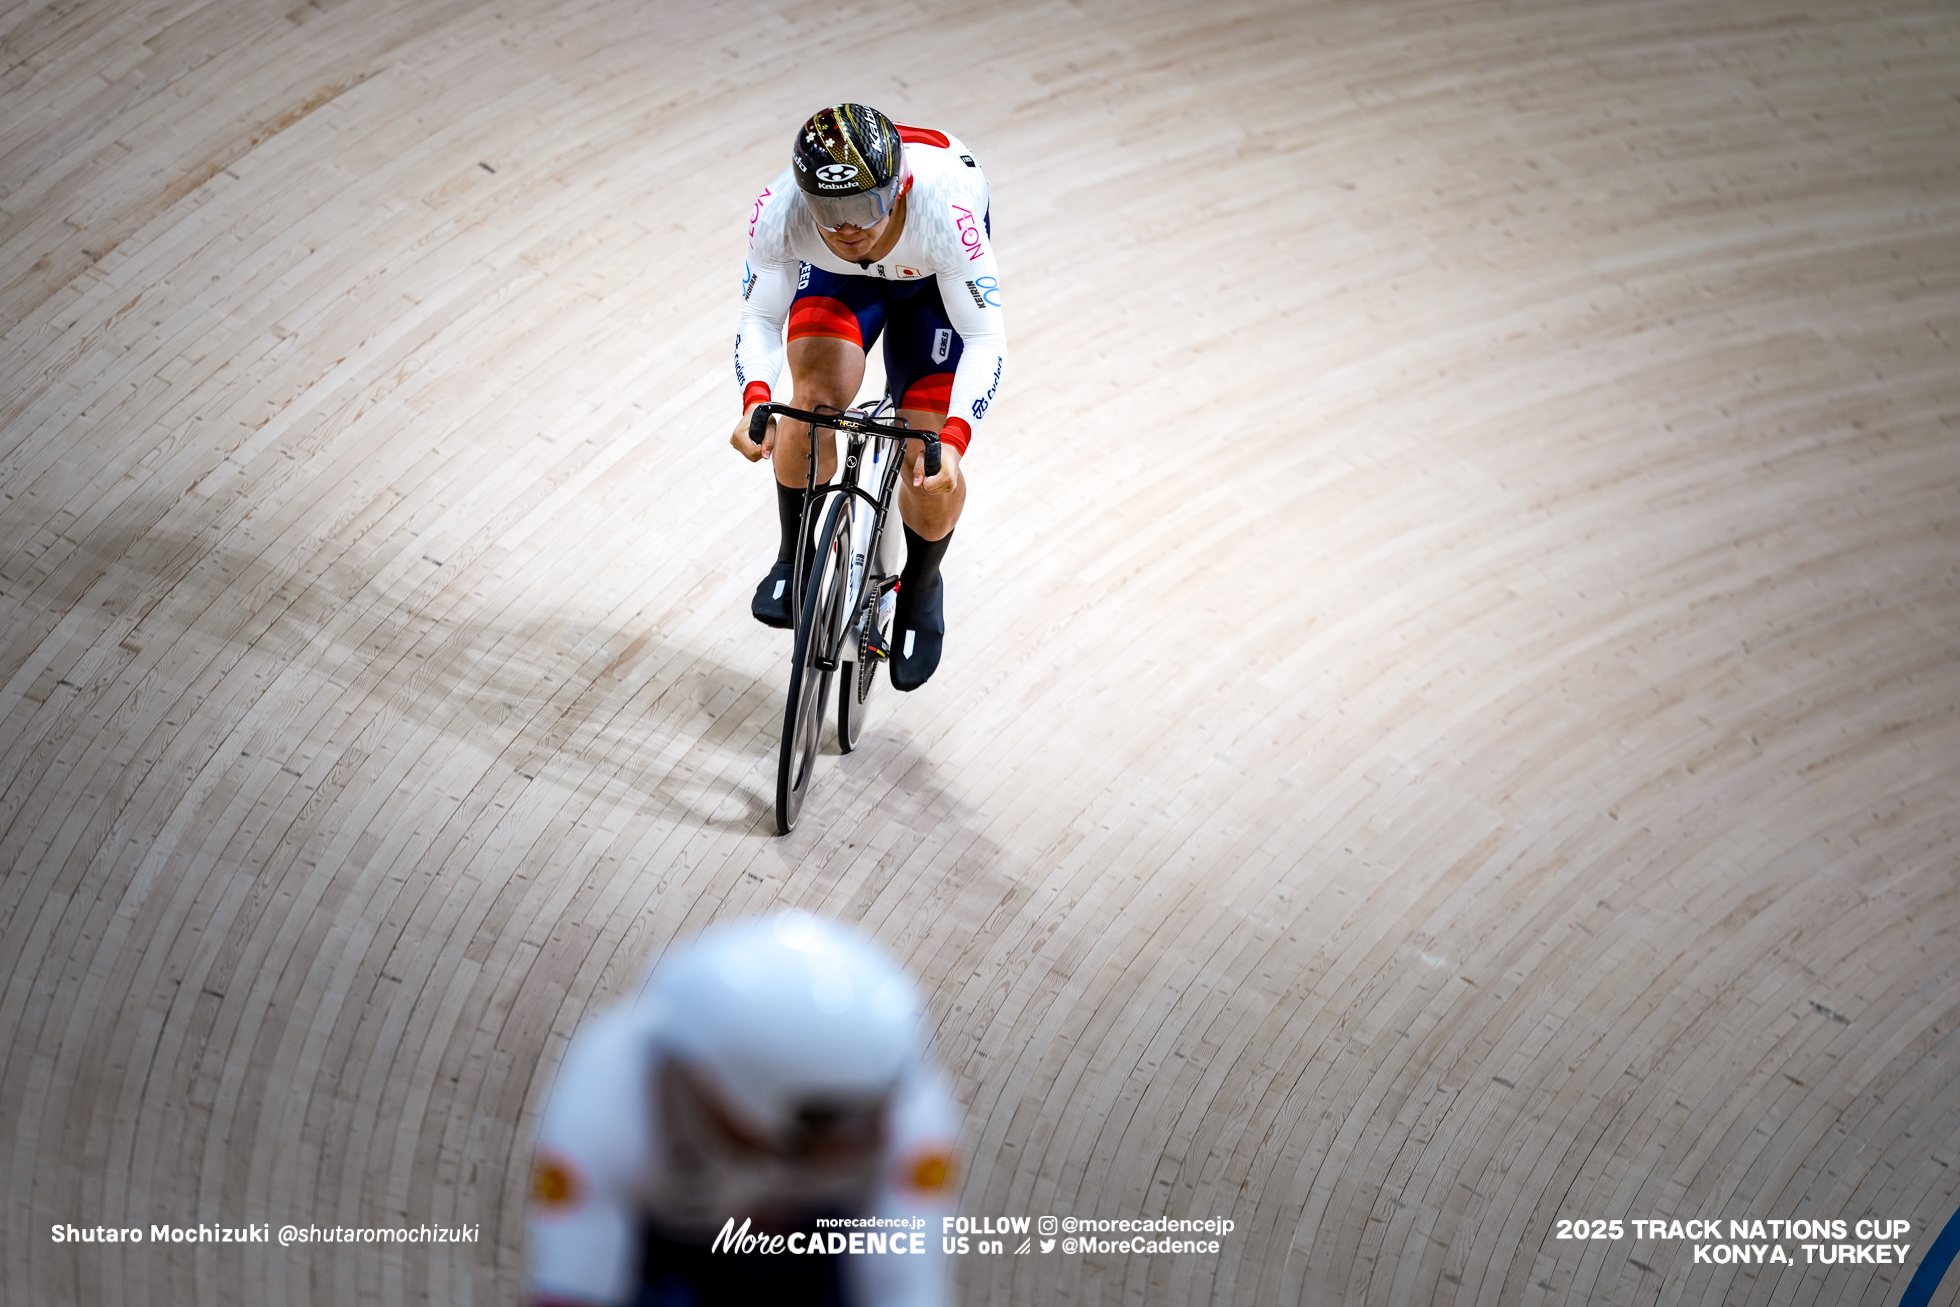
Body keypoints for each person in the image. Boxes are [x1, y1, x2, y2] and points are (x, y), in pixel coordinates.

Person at [526, 911, 961, 1307]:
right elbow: (575, 1286)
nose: (879, 1137)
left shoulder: (912, 1113)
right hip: (669, 1245)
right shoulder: (609, 1097)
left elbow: (904, 1287)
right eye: (838, 1122)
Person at [730, 103, 1007, 691]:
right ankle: (794, 554)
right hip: (843, 281)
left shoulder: (945, 209)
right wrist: (755, 399)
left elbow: (986, 337)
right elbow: (758, 315)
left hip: (932, 284)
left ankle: (922, 585)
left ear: (899, 185)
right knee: (807, 404)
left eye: (863, 206)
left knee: (926, 455)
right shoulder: (782, 209)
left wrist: (954, 442)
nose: (848, 226)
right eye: (830, 210)